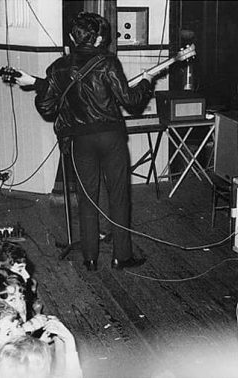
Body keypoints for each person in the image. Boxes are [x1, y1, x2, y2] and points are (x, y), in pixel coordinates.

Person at [11, 12, 157, 271]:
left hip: (80, 139)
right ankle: (121, 256)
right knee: (118, 196)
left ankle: (90, 258)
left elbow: (47, 108)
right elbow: (131, 102)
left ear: (70, 37)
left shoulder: (58, 67)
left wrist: (40, 86)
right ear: (100, 38)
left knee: (87, 198)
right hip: (110, 136)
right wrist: (146, 82)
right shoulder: (108, 62)